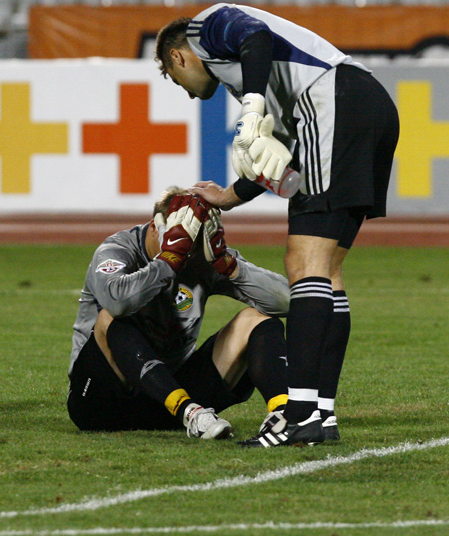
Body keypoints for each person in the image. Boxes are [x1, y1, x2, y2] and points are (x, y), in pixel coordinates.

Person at [154, 4, 400, 447]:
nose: (188, 94)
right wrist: (229, 196)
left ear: (176, 56)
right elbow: (284, 155)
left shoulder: (206, 25)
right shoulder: (252, 76)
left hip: (332, 104)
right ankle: (320, 414)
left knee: (303, 264)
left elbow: (255, 36)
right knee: (327, 270)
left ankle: (299, 415)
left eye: (175, 80)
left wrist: (251, 109)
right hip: (367, 104)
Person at [67, 187, 291, 440]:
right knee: (109, 318)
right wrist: (168, 261)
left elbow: (290, 301)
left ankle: (283, 414)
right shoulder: (118, 249)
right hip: (101, 401)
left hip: (171, 395)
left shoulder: (202, 256)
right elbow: (118, 303)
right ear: (155, 227)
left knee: (257, 319)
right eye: (182, 239)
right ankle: (190, 412)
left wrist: (230, 266)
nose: (189, 251)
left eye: (194, 242)